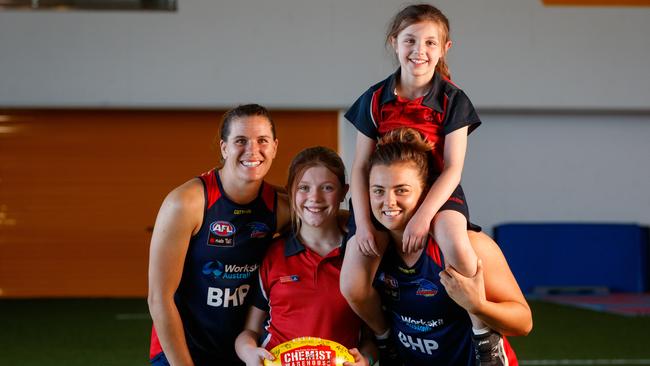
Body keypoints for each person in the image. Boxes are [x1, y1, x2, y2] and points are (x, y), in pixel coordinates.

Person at [340, 4, 494, 364]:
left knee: (456, 242)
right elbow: (361, 166)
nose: (418, 51)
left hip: (437, 193)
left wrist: (424, 216)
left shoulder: (453, 100)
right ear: (395, 42)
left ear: (444, 48)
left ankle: (484, 332)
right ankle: (383, 337)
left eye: (429, 42)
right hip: (387, 197)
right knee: (351, 282)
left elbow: (454, 167)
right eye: (409, 40)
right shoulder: (375, 99)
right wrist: (363, 224)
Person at [369, 128, 532, 365]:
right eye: (378, 191)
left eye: (401, 190)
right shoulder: (370, 253)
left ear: (426, 193)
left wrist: (478, 305)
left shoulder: (468, 246)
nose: (388, 202)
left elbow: (524, 323)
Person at [147, 104, 291, 366]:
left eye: (262, 141)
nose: (253, 150)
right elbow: (159, 298)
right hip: (180, 351)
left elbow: (328, 222)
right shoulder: (186, 203)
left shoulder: (280, 208)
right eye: (241, 141)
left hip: (241, 351)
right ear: (224, 148)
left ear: (274, 147)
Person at [235, 146, 375, 366]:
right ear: (290, 191)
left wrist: (365, 360)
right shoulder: (273, 253)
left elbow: (370, 339)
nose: (315, 198)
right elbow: (249, 331)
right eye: (304, 188)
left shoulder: (359, 254)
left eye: (327, 187)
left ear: (344, 192)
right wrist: (249, 352)